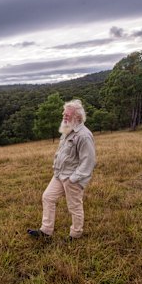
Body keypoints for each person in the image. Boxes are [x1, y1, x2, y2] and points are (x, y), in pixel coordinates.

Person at [28, 99, 96, 241]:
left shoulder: (84, 135)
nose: (64, 116)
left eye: (68, 114)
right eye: (64, 114)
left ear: (77, 117)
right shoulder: (67, 130)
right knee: (47, 197)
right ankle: (46, 231)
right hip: (59, 175)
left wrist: (74, 179)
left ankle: (75, 235)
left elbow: (88, 161)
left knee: (74, 206)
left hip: (72, 178)